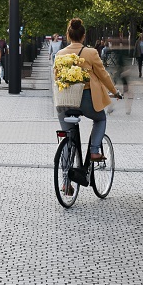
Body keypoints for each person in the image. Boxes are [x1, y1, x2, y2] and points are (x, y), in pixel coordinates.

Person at [52, 18, 118, 178]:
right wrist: (114, 92)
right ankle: (94, 151)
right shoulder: (91, 52)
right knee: (100, 119)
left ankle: (65, 182)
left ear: (68, 35)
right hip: (87, 99)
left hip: (65, 101)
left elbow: (56, 77)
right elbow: (103, 75)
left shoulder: (60, 54)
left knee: (68, 136)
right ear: (83, 36)